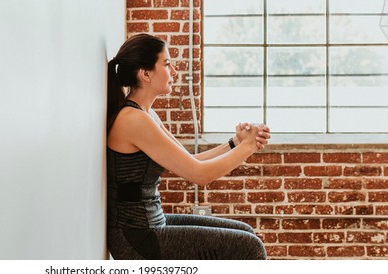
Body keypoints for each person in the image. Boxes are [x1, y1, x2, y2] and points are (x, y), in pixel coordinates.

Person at [106, 34, 271, 260]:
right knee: (249, 246)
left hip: (151, 224)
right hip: (137, 238)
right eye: (167, 64)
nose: (174, 72)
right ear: (145, 74)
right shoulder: (133, 120)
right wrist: (249, 147)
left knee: (246, 233)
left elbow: (190, 160)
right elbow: (199, 175)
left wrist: (236, 142)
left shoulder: (144, 114)